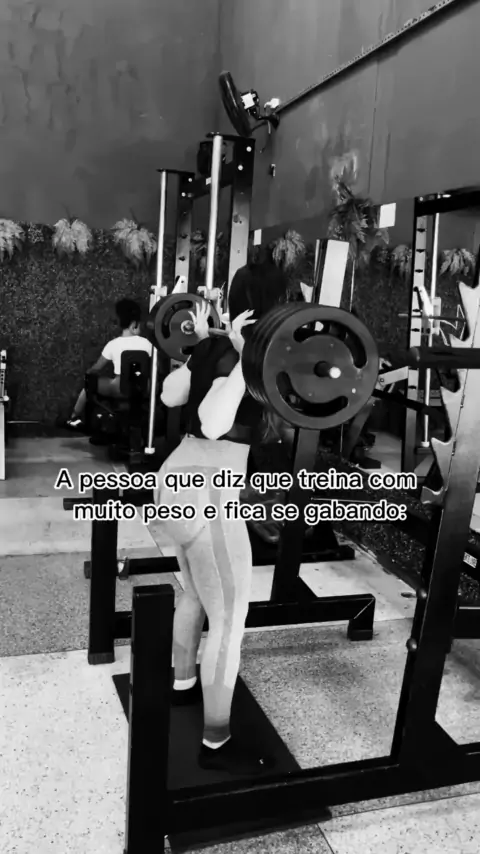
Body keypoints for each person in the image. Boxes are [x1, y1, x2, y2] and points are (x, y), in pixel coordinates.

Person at [148, 259, 296, 778]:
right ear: (277, 303)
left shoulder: (211, 345)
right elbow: (213, 423)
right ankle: (216, 741)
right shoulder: (242, 355)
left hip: (175, 479)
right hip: (207, 490)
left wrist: (202, 351)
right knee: (230, 622)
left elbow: (170, 395)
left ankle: (182, 683)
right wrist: (240, 360)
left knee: (193, 592)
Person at [64, 298, 153, 430]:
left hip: (118, 388)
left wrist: (89, 373)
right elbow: (155, 367)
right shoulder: (147, 344)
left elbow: (96, 368)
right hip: (143, 388)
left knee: (88, 385)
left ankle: (74, 418)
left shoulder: (112, 344)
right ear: (134, 324)